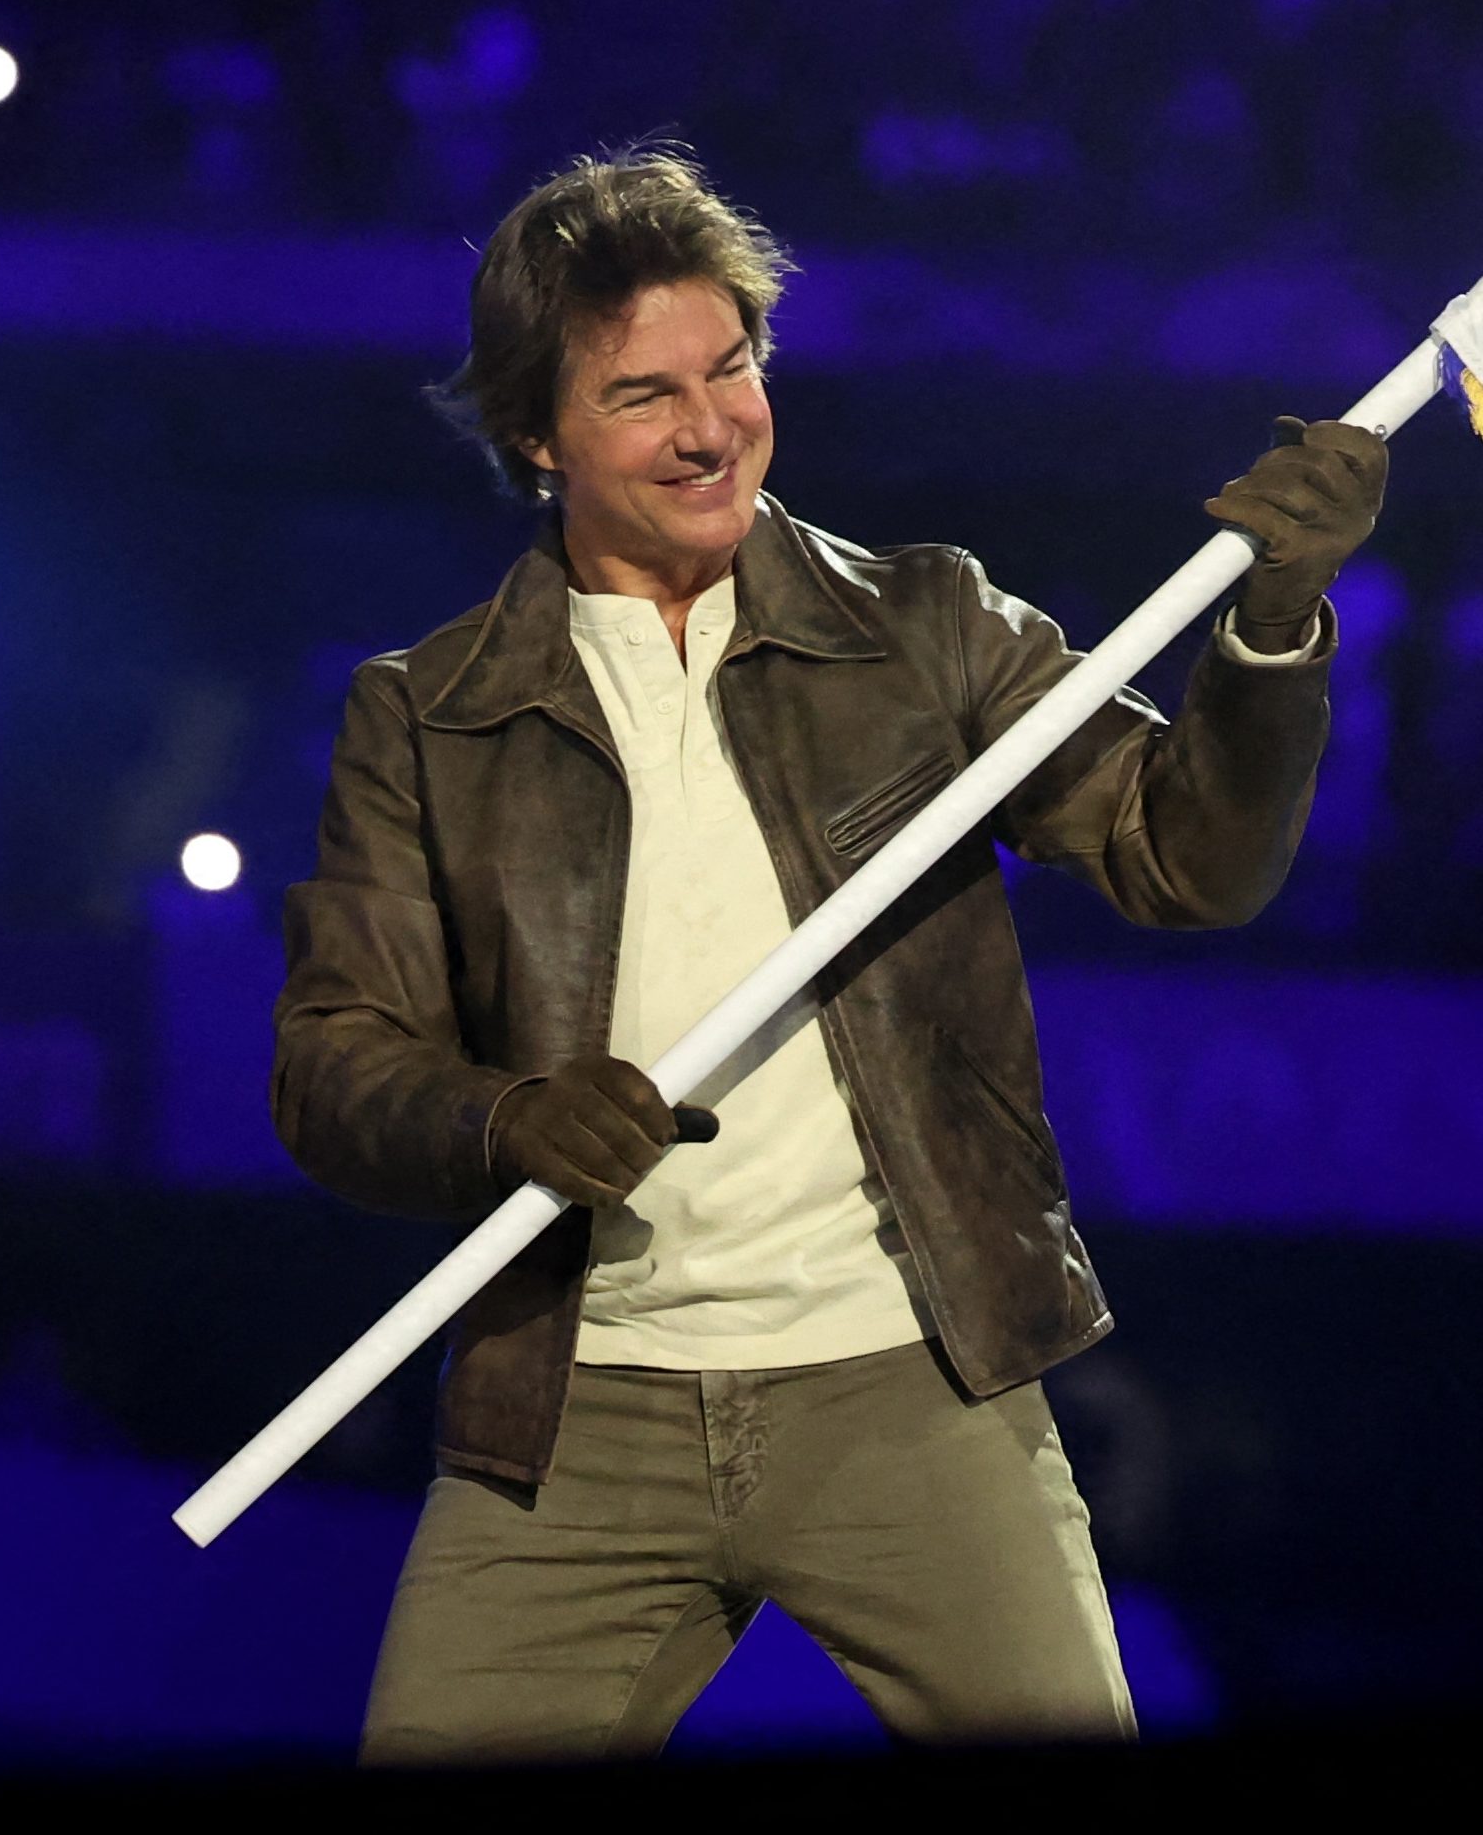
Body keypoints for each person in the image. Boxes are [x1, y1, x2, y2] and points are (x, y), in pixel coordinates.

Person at [270, 145, 1385, 1760]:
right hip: (577, 1409)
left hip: (912, 1378)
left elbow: (1186, 860)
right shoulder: (426, 712)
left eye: (731, 369)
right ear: (536, 434)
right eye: (643, 395)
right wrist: (504, 1119)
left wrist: (1272, 630)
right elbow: (332, 1067)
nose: (711, 427)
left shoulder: (925, 626)